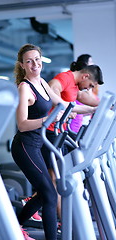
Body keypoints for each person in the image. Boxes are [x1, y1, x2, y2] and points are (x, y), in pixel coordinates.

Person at [11, 43, 71, 240]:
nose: (34, 64)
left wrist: (86, 110)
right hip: (24, 146)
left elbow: (60, 104)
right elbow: (22, 124)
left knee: (47, 192)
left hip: (39, 144)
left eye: (37, 59)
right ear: (22, 65)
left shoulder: (43, 83)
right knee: (50, 195)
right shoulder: (24, 88)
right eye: (29, 61)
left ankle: (13, 226)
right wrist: (48, 119)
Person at [41, 60, 104, 224]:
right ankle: (63, 220)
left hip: (60, 133)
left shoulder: (75, 87)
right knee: (54, 179)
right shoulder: (66, 78)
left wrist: (94, 109)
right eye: (90, 85)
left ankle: (65, 219)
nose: (89, 89)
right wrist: (60, 105)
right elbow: (52, 87)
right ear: (85, 76)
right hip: (50, 133)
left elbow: (75, 107)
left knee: (59, 177)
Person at [69, 54, 100, 135]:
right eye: (90, 61)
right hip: (73, 124)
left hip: (80, 123)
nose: (93, 63)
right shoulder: (77, 84)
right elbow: (80, 97)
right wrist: (93, 109)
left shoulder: (86, 86)